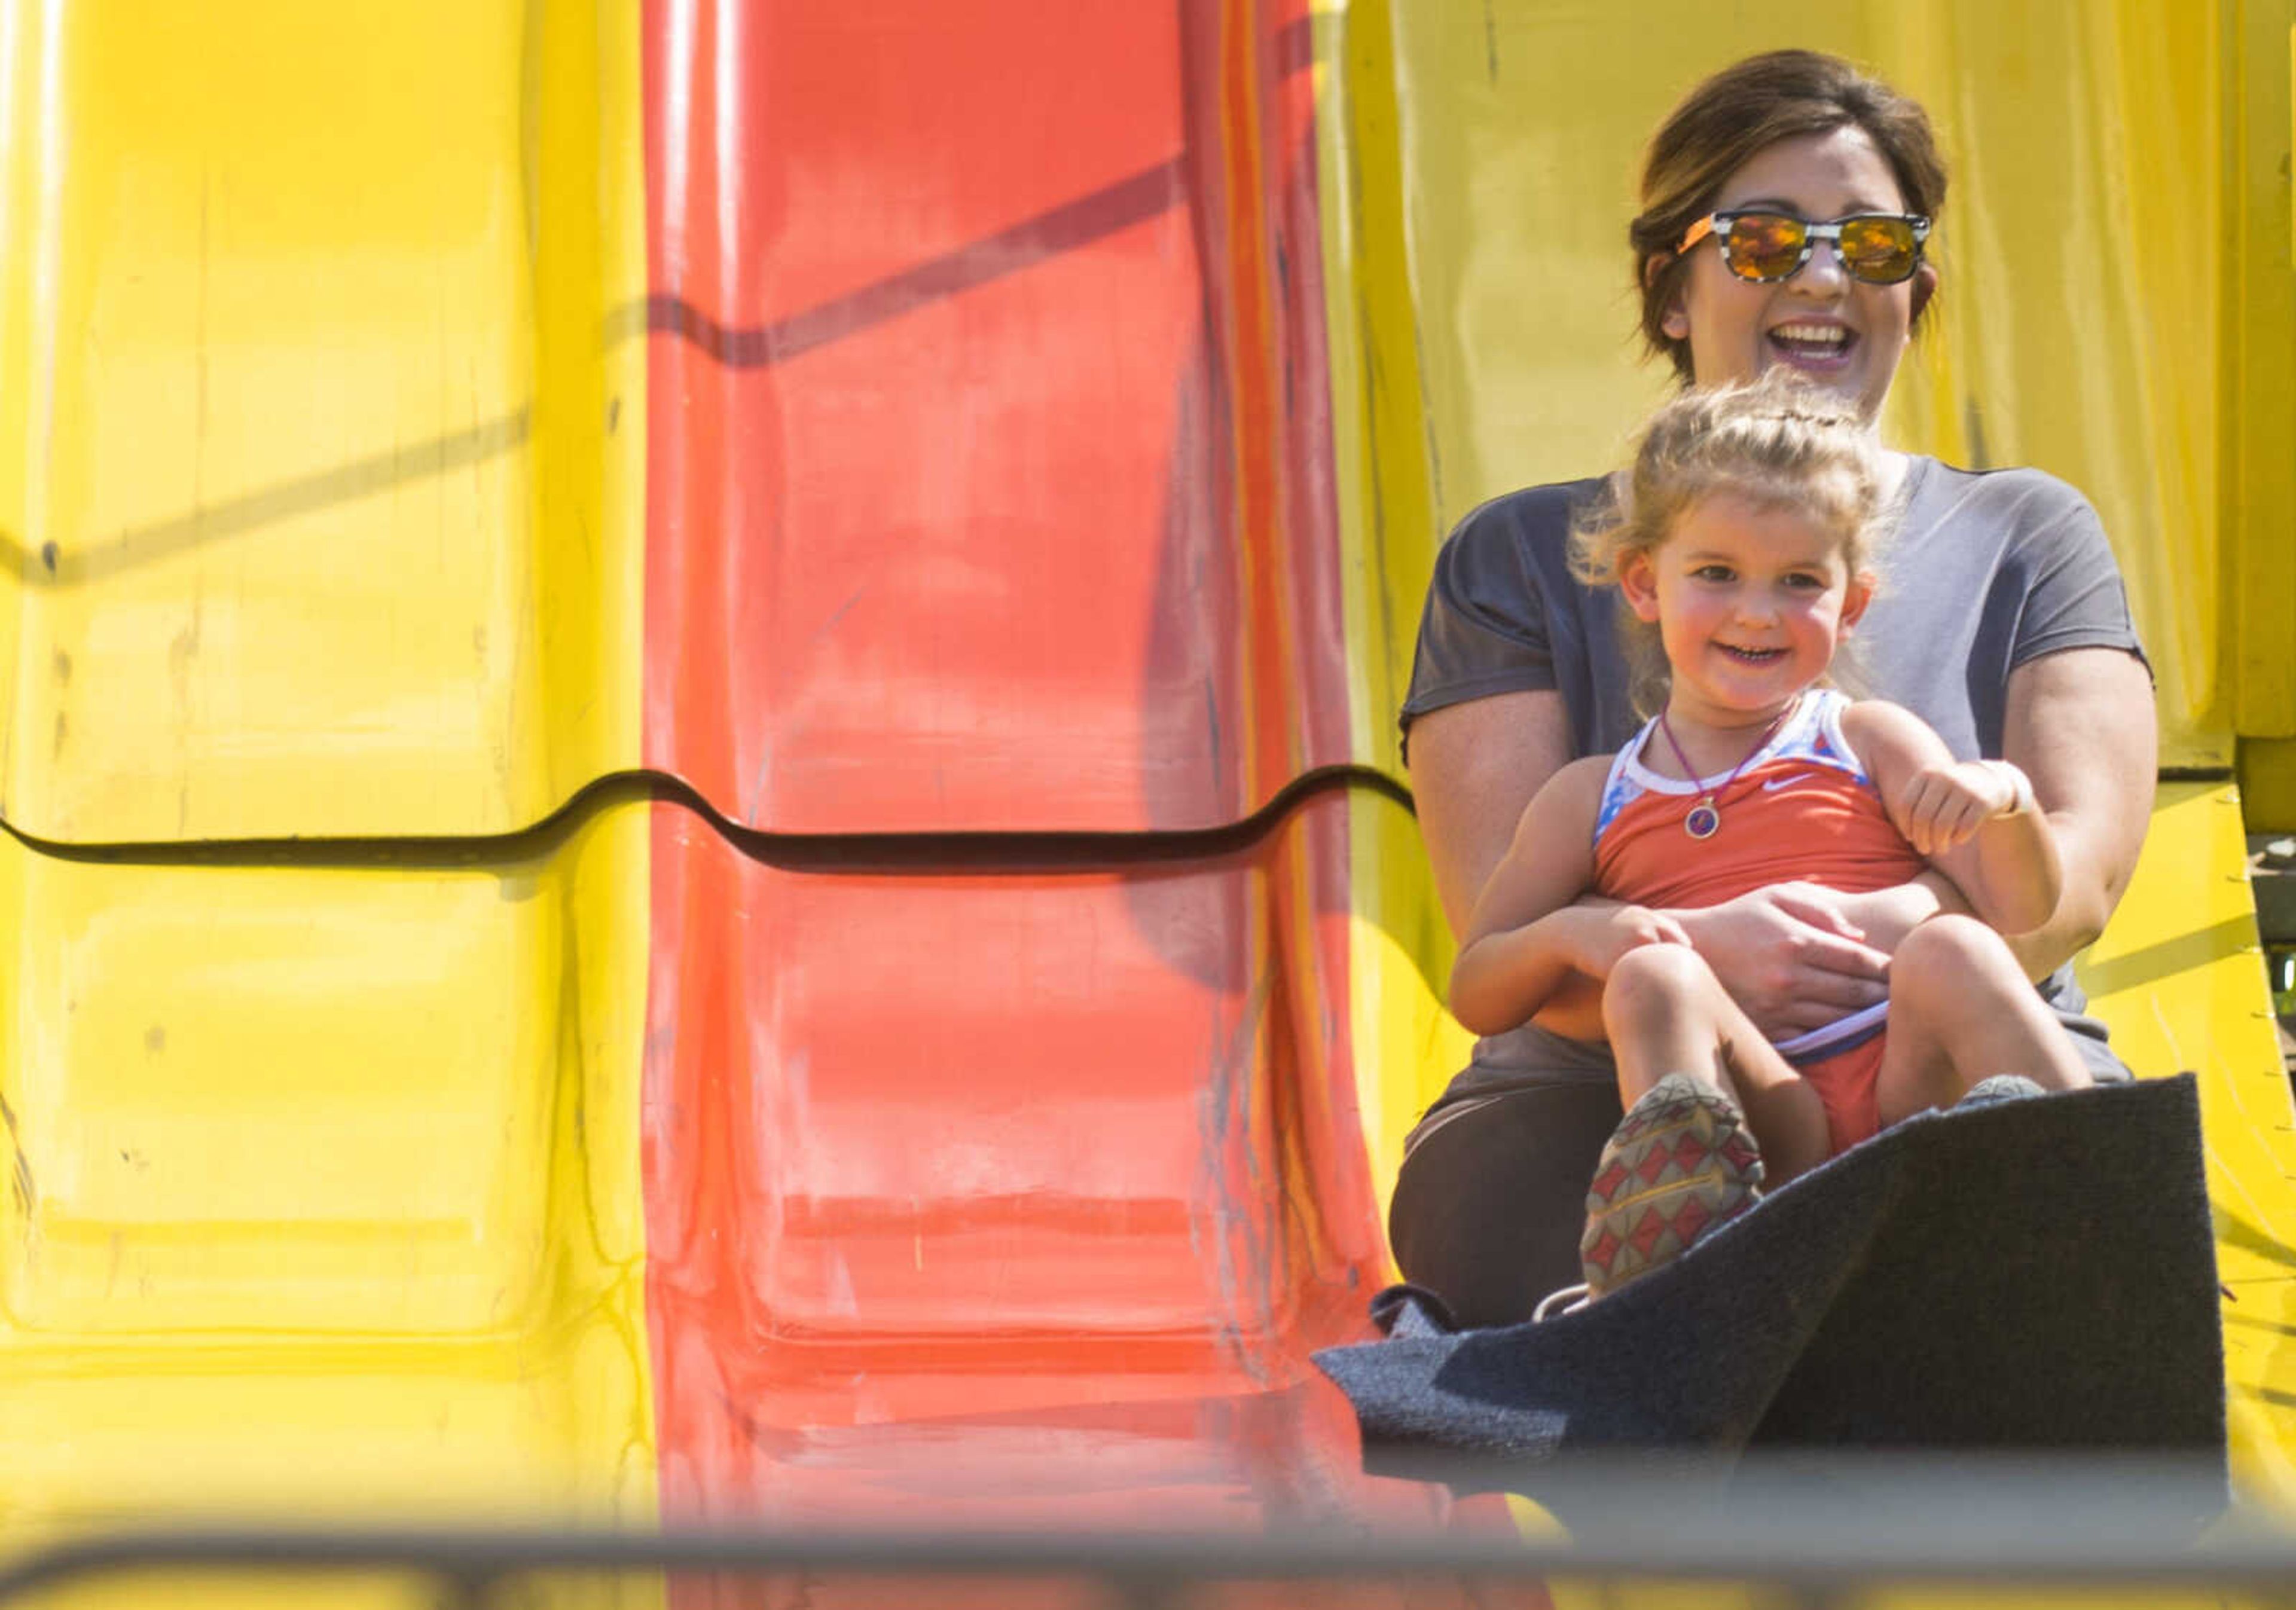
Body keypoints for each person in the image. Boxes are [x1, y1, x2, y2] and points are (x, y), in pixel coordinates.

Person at [1391, 48, 2155, 1330]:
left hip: (1943, 1056)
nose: (1815, 274)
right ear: (1672, 290)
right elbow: (1506, 943)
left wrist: (1865, 928)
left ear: (1913, 285)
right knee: (1514, 1206)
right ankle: (1695, 1300)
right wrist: (1695, 955)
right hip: (1608, 1084)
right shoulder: (1517, 557)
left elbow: (2075, 886)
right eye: (1757, 241)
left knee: (2004, 1176)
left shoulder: (2031, 531)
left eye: (1869, 242)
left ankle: (2014, 1278)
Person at [1447, 375, 2094, 1302]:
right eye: (1716, 573)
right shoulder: (1592, 796)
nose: (1758, 611)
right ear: (1644, 582)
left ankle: (2109, 1187)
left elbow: (2023, 909)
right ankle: (1678, 1268)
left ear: (1852, 602)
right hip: (1761, 1118)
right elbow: (1478, 985)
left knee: (1955, 943)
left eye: (1800, 582)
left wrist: (2006, 798)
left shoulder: (1866, 738)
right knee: (1653, 975)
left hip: (1909, 1089)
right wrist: (1575, 933)